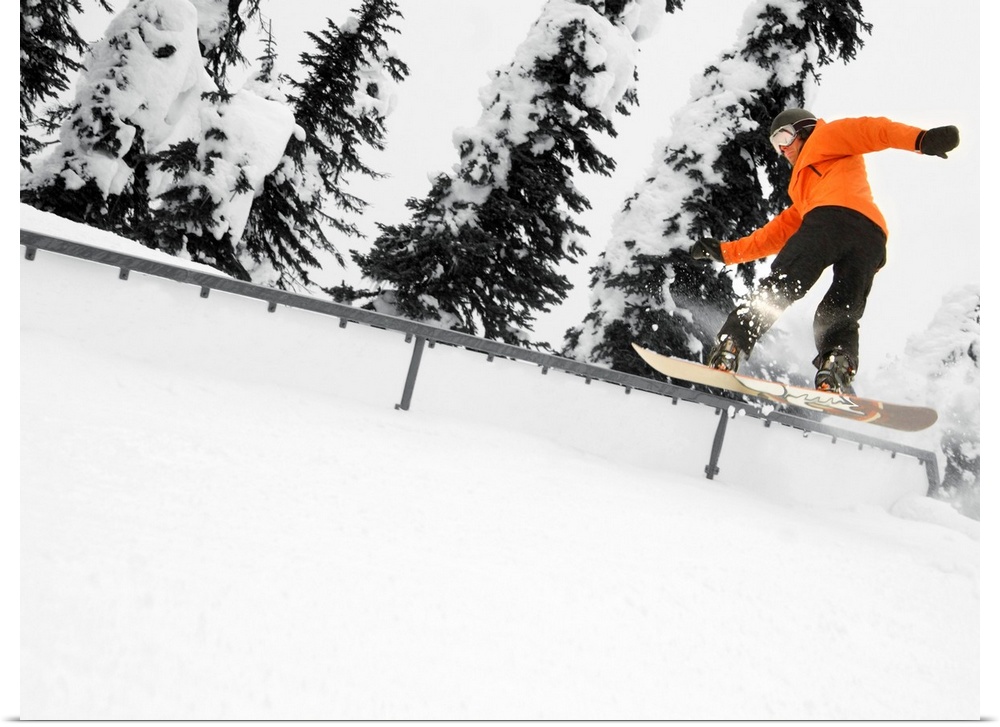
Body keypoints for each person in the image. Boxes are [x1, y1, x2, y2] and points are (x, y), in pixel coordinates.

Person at [689, 109, 960, 393]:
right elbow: (774, 234)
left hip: (831, 221)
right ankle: (837, 364)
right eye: (775, 145)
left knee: (783, 284)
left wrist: (921, 140)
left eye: (784, 137)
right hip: (871, 239)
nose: (782, 148)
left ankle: (732, 343)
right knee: (839, 310)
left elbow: (872, 130)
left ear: (804, 129)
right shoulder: (805, 194)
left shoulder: (826, 136)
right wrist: (726, 252)